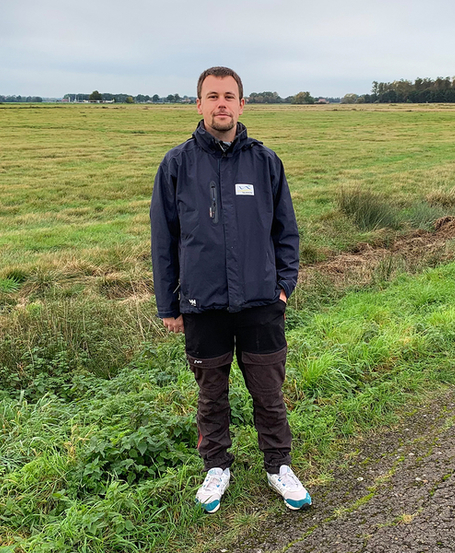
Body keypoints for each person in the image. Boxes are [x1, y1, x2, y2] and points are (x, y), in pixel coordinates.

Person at [150, 66, 311, 513]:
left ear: (242, 104)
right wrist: (170, 303)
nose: (221, 103)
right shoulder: (177, 164)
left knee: (268, 392)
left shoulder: (265, 162)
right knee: (211, 396)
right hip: (203, 306)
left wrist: (283, 287)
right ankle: (216, 466)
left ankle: (279, 467)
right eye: (212, 95)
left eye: (229, 96)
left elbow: (287, 232)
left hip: (261, 304)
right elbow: (163, 241)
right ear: (198, 104)